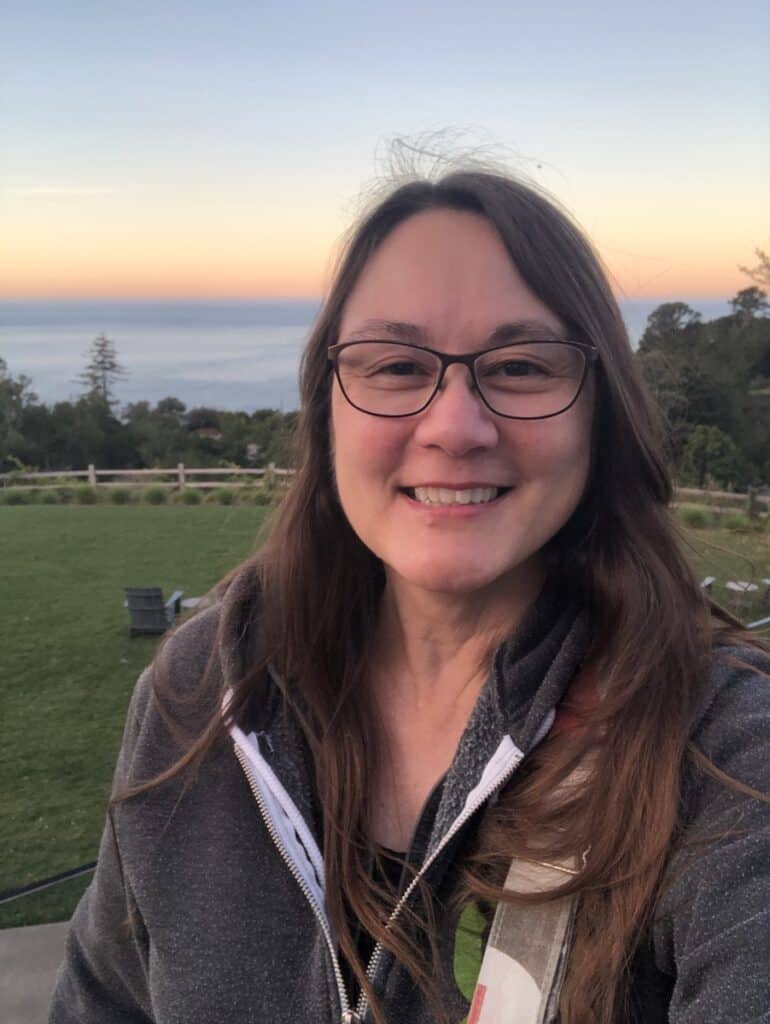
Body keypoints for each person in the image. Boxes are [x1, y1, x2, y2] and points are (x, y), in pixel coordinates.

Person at [49, 169, 769, 1024]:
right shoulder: (202, 692)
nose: (454, 427)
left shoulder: (722, 751)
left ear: (598, 413)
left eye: (520, 365)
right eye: (394, 365)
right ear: (329, 409)